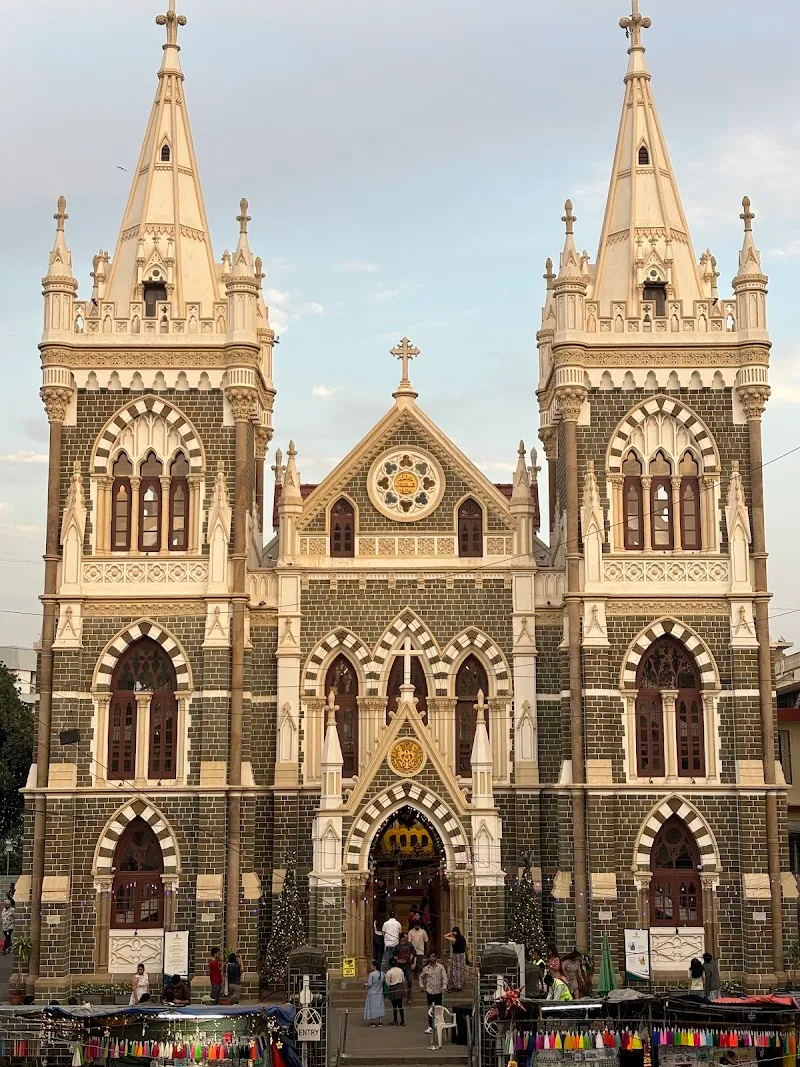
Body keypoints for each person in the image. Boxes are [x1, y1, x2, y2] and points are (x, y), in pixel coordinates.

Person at [419, 952, 448, 1034]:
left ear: (436, 957)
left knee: (439, 1008)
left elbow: (444, 977)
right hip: (430, 990)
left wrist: (444, 987)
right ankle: (431, 1026)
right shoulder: (426, 968)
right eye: (430, 957)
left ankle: (439, 1024)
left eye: (433, 957)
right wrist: (421, 986)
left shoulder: (440, 967)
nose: (432, 959)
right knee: (431, 1009)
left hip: (438, 990)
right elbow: (421, 977)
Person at [394, 933, 416, 1004]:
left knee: (409, 981)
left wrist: (414, 963)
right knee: (399, 982)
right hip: (400, 966)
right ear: (402, 938)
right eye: (406, 937)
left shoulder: (410, 945)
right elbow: (394, 956)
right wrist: (398, 960)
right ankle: (399, 997)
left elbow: (415, 954)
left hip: (407, 966)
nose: (407, 938)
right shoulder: (397, 947)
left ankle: (409, 998)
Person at [444, 926, 467, 992]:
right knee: (460, 970)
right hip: (461, 956)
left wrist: (451, 933)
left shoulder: (454, 939)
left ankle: (456, 985)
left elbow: (445, 936)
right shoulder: (463, 938)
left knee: (455, 970)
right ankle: (460, 984)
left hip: (456, 956)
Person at [363, 960, 385, 1026]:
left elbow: (370, 984)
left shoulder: (372, 974)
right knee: (379, 1006)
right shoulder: (382, 973)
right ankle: (380, 1021)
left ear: (374, 966)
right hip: (380, 992)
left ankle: (373, 1021)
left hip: (372, 993)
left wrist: (365, 984)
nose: (371, 966)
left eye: (372, 965)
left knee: (372, 1006)